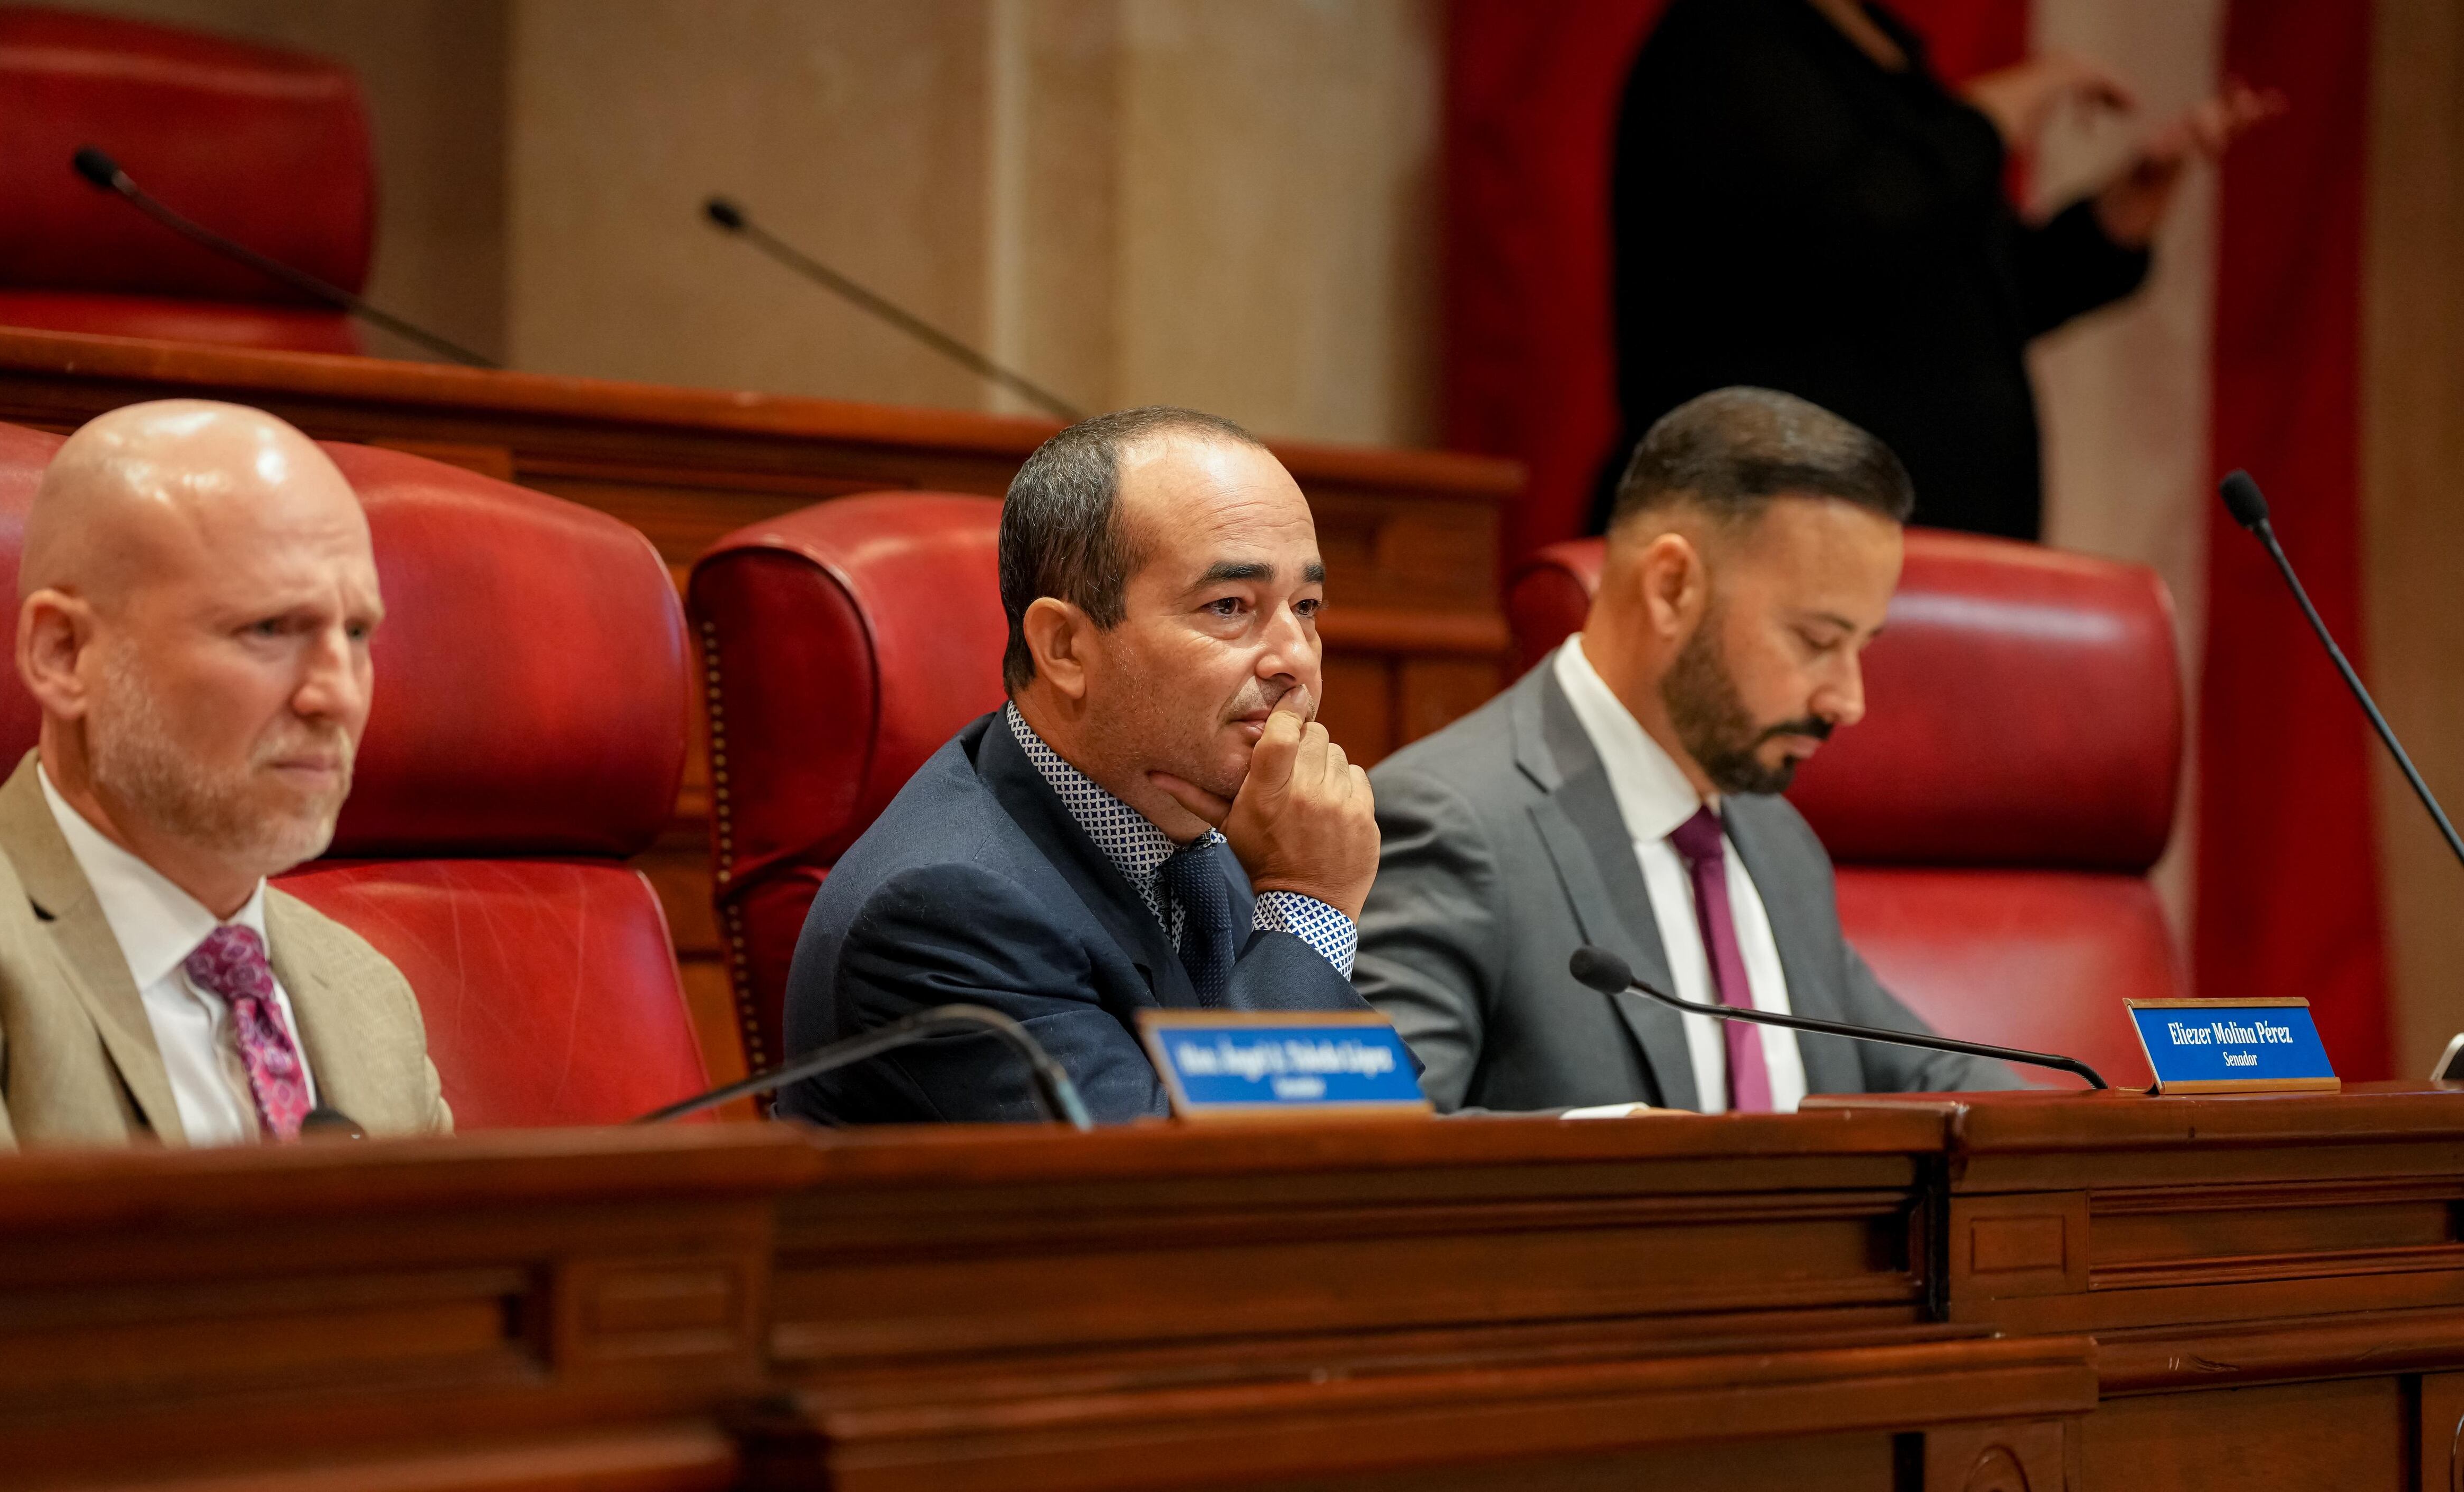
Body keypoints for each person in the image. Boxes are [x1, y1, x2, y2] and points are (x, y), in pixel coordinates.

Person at [0, 400, 450, 1156]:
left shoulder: (369, 996)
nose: (337, 694)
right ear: (65, 653)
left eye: (356, 633)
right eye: (269, 629)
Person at [1357, 387, 2012, 1113]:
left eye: (1862, 646)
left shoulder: (1776, 841)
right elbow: (1395, 1146)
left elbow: (1934, 1075)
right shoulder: (1452, 822)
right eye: (1817, 641)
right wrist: (1643, 1162)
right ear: (1672, 587)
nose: (1847, 702)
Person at [782, 406, 1380, 1124]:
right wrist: (1307, 904)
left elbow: (1381, 1130)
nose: (1295, 658)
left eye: (1306, 605)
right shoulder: (944, 911)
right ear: (1064, 647)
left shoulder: (1217, 840)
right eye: (1229, 605)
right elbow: (1197, 1204)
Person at [1605, 0, 2279, 540]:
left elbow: (1964, 293)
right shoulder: (1723, 41)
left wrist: (2120, 210)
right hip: (1768, 536)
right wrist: (2011, 102)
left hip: (1920, 549)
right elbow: (1857, 225)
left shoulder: (1886, 59)